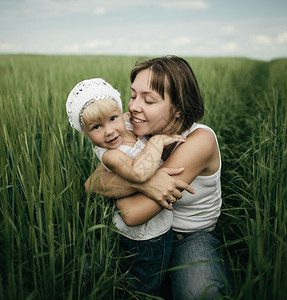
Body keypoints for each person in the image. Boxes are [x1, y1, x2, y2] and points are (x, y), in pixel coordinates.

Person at [85, 56, 233, 299]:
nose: (133, 107)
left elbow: (132, 212)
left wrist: (128, 177)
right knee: (89, 277)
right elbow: (92, 183)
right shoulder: (130, 124)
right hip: (143, 236)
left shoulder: (199, 141)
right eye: (133, 95)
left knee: (200, 293)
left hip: (188, 235)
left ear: (177, 109)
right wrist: (146, 179)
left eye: (149, 100)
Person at [66, 77, 189, 296]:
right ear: (86, 133)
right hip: (146, 237)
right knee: (145, 285)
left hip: (153, 228)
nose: (109, 131)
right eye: (96, 127)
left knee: (142, 275)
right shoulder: (110, 154)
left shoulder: (126, 125)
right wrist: (156, 142)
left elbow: (125, 116)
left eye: (113, 118)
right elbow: (139, 173)